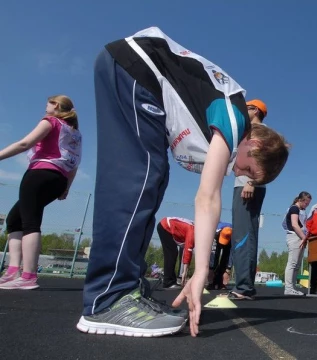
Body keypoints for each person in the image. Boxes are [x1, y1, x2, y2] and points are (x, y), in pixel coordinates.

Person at [78, 27, 289, 338]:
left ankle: (128, 287)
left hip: (133, 73)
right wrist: (201, 270)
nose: (238, 172)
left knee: (153, 175)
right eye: (248, 169)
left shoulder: (214, 128)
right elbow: (207, 197)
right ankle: (108, 298)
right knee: (141, 175)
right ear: (254, 146)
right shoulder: (235, 120)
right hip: (136, 67)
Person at [0, 95, 82, 290]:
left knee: (30, 221)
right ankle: (13, 271)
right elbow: (75, 165)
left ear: (56, 106)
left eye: (48, 104)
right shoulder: (74, 133)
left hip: (40, 173)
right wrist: (66, 187)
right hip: (58, 178)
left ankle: (28, 275)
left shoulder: (51, 122)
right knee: (13, 220)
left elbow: (24, 144)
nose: (45, 108)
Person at [226, 99, 269, 300]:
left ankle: (244, 287)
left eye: (247, 108)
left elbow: (261, 158)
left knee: (244, 234)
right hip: (243, 184)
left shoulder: (259, 131)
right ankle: (244, 284)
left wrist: (251, 181)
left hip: (248, 185)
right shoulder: (250, 130)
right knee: (242, 233)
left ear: (256, 110)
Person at [282, 191, 312, 296]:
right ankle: (288, 288)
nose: (306, 205)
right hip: (295, 237)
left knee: (297, 264)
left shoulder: (301, 210)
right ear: (300, 200)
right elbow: (295, 224)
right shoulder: (294, 208)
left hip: (300, 237)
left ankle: (293, 287)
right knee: (292, 263)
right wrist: (304, 238)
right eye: (306, 203)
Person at [156, 216, 194, 289]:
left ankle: (171, 280)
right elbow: (188, 251)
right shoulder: (192, 231)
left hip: (167, 226)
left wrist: (184, 272)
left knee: (173, 253)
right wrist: (185, 272)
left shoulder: (194, 229)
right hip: (165, 226)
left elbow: (188, 251)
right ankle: (168, 282)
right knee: (171, 253)